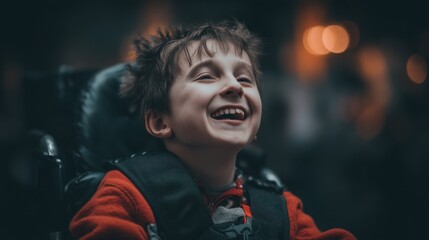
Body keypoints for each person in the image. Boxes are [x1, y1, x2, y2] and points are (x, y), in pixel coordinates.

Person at [69, 20, 356, 240]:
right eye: (206, 76)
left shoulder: (283, 209)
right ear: (160, 122)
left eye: (244, 78)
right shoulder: (126, 194)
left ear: (253, 126)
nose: (234, 86)